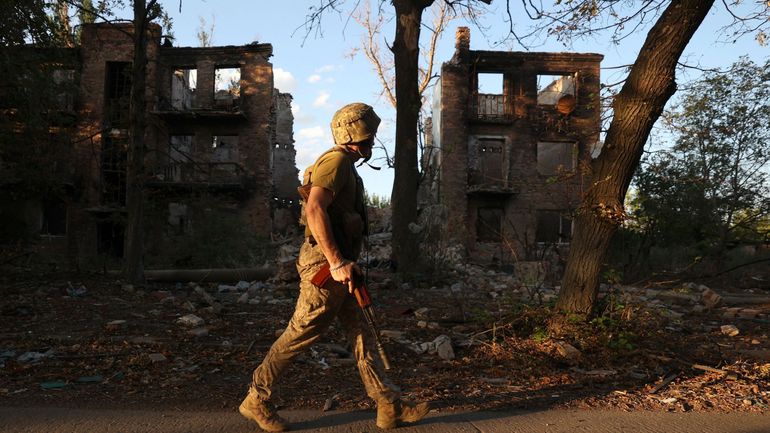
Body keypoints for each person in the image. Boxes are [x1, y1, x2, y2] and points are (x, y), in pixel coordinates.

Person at [239, 103, 429, 432]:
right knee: (301, 333)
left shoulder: (346, 165)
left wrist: (345, 262)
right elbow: (314, 209)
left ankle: (389, 405)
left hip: (342, 266)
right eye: (367, 136)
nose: (371, 142)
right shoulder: (337, 161)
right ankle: (256, 398)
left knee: (362, 335)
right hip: (326, 268)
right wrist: (337, 261)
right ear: (353, 136)